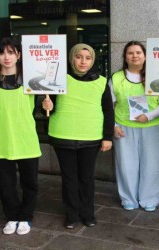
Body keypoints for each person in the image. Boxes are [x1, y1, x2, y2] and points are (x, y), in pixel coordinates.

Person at [42, 43, 114, 229]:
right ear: (71, 58)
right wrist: (45, 107)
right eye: (78, 57)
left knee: (87, 178)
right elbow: (45, 109)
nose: (83, 61)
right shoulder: (58, 79)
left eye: (88, 58)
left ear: (93, 60)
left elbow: (108, 110)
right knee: (69, 178)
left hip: (91, 137)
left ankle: (87, 213)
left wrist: (108, 137)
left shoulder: (101, 82)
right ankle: (72, 214)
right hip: (63, 136)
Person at [0, 37, 41, 236]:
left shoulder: (33, 81)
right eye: (1, 53)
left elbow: (41, 107)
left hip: (26, 138)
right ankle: (12, 215)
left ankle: (26, 216)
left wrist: (49, 104)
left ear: (19, 55)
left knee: (29, 182)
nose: (6, 57)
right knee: (6, 184)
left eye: (11, 52)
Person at [110, 41, 159, 212]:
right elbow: (108, 104)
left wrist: (148, 116)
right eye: (130, 53)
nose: (135, 56)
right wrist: (113, 125)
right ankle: (128, 198)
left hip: (153, 126)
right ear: (125, 57)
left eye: (138, 52)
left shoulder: (157, 75)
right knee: (126, 165)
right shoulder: (116, 78)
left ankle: (150, 198)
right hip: (124, 127)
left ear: (145, 56)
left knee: (153, 164)